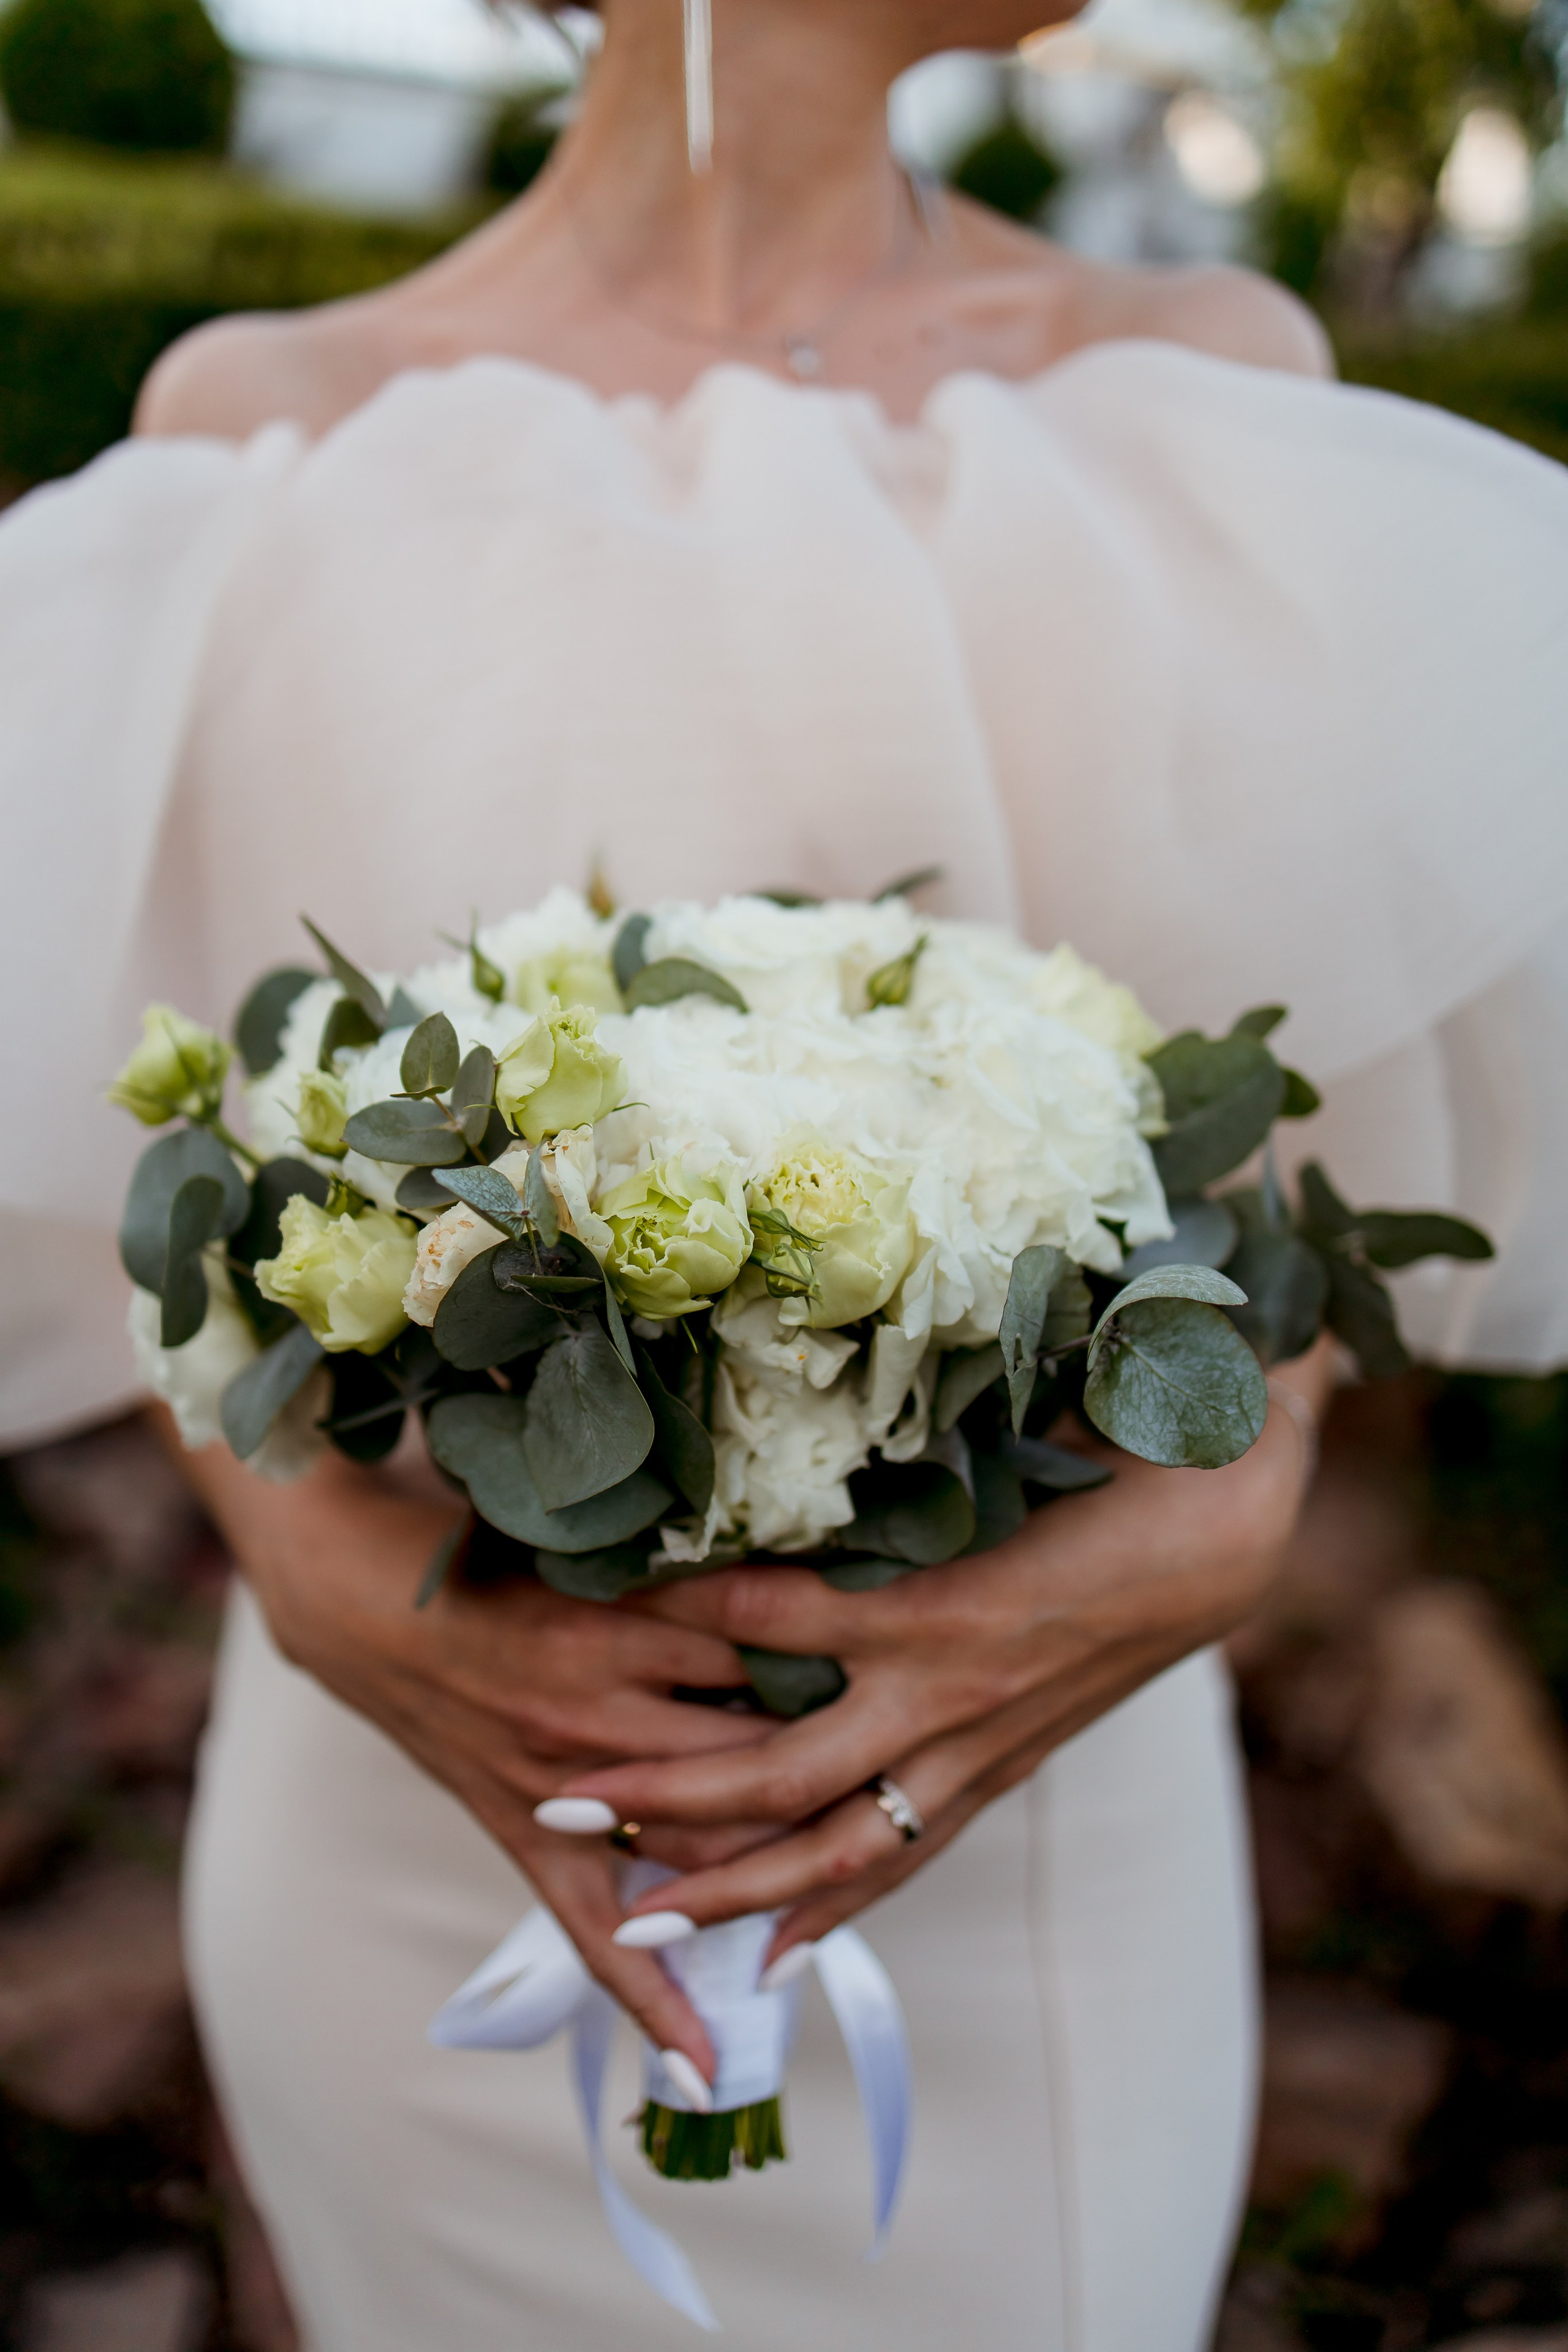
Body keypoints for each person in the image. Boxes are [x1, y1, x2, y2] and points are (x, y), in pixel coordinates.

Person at [1, 0, 1566, 2345]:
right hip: (432, 1821)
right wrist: (302, 1560)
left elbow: (1296, 1176)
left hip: (1011, 1825)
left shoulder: (1208, 380)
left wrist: (1240, 1493)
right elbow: (156, 1169)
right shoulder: (265, 429)